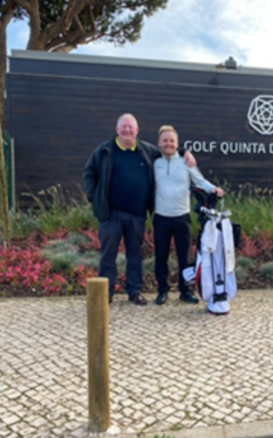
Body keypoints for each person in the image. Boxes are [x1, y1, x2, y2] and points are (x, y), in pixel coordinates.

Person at [83, 114, 196, 305]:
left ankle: (134, 291)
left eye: (131, 127)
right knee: (108, 254)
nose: (127, 131)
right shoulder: (104, 151)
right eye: (123, 127)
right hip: (111, 214)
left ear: (137, 130)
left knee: (135, 254)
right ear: (117, 130)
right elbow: (89, 173)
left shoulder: (148, 151)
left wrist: (185, 151)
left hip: (137, 214)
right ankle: (106, 293)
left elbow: (169, 150)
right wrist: (95, 198)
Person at [152, 125, 223, 305]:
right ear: (159, 143)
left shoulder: (186, 162)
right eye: (165, 140)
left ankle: (185, 290)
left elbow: (199, 181)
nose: (168, 144)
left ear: (177, 144)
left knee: (185, 257)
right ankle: (162, 290)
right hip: (161, 217)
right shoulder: (154, 162)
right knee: (161, 255)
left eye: (172, 141)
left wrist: (214, 189)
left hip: (182, 217)